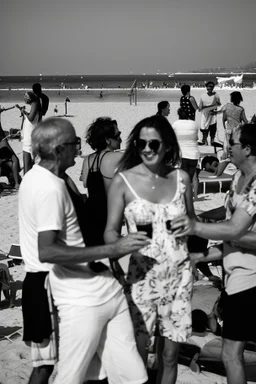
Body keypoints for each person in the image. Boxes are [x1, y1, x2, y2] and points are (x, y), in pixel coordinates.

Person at [19, 116, 149, 384]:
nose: (79, 149)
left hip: (79, 286)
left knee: (95, 370)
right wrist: (113, 248)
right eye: (74, 143)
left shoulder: (42, 178)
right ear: (58, 149)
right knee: (51, 368)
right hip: (53, 286)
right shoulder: (49, 188)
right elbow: (48, 251)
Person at [104, 115, 196, 384]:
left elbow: (193, 221)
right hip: (142, 279)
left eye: (153, 144)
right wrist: (120, 245)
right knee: (137, 355)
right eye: (141, 143)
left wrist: (189, 226)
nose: (146, 149)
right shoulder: (123, 181)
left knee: (169, 357)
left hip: (179, 279)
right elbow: (110, 230)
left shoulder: (181, 178)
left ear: (167, 145)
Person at [172, 123, 256, 384]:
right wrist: (199, 256)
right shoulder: (237, 177)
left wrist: (195, 225)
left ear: (248, 148)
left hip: (250, 279)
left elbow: (235, 229)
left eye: (233, 142)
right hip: (235, 278)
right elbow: (230, 222)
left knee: (232, 354)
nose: (228, 146)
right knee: (233, 353)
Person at [80, 117, 123, 246]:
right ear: (107, 140)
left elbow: (85, 183)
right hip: (109, 215)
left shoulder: (88, 160)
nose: (120, 139)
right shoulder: (117, 157)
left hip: (90, 213)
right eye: (117, 135)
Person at [172, 108, 200, 183]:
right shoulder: (194, 124)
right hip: (194, 155)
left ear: (179, 115)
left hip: (182, 155)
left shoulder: (175, 124)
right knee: (189, 180)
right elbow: (196, 138)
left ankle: (184, 194)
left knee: (182, 180)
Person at [16, 91, 41, 174]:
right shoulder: (34, 107)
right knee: (31, 166)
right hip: (29, 140)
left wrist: (24, 112)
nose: (25, 99)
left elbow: (30, 118)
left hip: (29, 141)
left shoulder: (35, 104)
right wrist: (22, 110)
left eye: (26, 97)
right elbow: (27, 121)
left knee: (27, 167)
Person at [221, 91, 248, 158]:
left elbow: (224, 119)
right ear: (240, 99)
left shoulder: (227, 106)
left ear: (231, 99)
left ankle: (228, 157)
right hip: (237, 130)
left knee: (228, 145)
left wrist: (225, 127)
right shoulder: (241, 109)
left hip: (229, 130)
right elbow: (245, 121)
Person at [198, 81, 221, 146]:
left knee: (213, 128)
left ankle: (212, 141)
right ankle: (205, 141)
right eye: (208, 86)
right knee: (204, 129)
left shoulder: (216, 95)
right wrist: (200, 109)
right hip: (205, 114)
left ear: (213, 87)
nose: (209, 88)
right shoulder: (203, 95)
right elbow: (200, 106)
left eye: (211, 87)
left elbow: (219, 104)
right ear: (206, 87)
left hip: (212, 114)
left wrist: (215, 109)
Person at [0, 122, 21, 189]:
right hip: (2, 141)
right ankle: (17, 184)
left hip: (2, 141)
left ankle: (16, 183)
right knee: (15, 160)